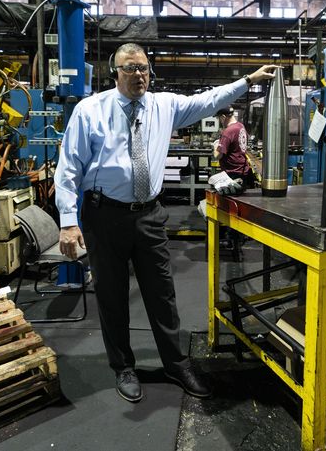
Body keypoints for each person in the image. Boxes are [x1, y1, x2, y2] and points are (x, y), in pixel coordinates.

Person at [55, 42, 278, 403]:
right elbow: (68, 169)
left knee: (162, 293)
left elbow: (207, 100)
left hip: (148, 215)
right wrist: (68, 221)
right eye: (130, 68)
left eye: (143, 68)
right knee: (111, 296)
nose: (138, 74)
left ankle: (176, 364)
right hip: (104, 215)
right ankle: (123, 366)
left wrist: (246, 81)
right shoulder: (89, 111)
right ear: (116, 73)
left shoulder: (165, 106)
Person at [213, 106, 254, 189]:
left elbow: (217, 155)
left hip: (232, 174)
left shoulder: (228, 132)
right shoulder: (241, 126)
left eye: (219, 119)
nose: (219, 121)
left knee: (230, 199)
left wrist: (215, 145)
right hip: (243, 170)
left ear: (223, 117)